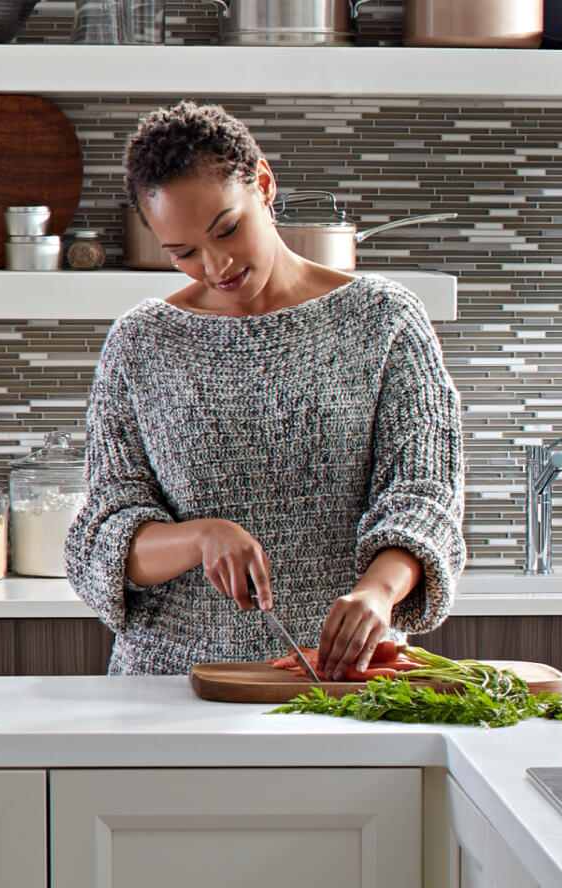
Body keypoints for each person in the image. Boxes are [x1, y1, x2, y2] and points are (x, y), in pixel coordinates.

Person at [66, 102, 465, 677]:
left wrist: (378, 592)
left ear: (265, 183)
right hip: (171, 689)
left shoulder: (386, 321)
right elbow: (106, 533)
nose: (216, 263)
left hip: (344, 685)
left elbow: (423, 497)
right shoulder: (141, 342)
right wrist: (201, 537)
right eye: (183, 253)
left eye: (227, 228)